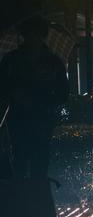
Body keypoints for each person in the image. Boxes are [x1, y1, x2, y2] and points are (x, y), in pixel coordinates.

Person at [0, 15, 69, 178]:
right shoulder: (11, 61)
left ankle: (36, 195)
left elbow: (63, 92)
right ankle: (24, 196)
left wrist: (45, 101)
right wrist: (13, 94)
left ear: (42, 36)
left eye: (36, 35)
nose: (32, 39)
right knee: (20, 158)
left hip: (42, 118)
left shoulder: (52, 63)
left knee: (40, 159)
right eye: (29, 34)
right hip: (18, 117)